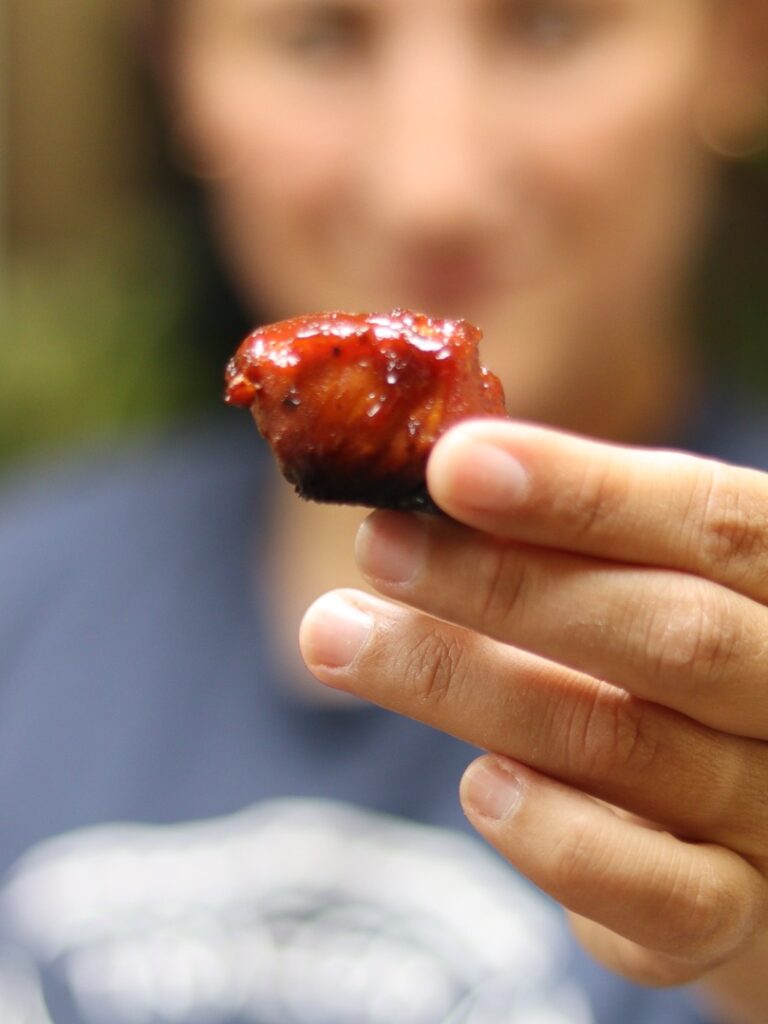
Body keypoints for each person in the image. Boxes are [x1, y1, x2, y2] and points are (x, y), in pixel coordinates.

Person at [1, 0, 767, 1021]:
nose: (431, 190)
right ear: (177, 72)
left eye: (551, 28)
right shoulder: (25, 593)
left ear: (742, 47)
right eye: (317, 38)